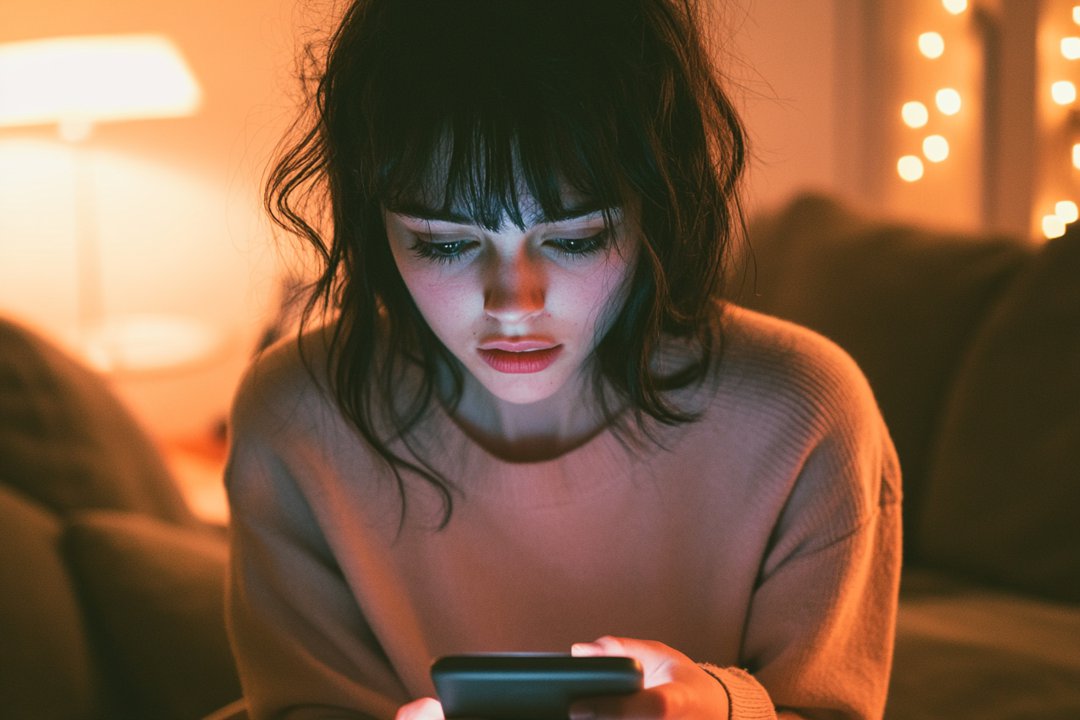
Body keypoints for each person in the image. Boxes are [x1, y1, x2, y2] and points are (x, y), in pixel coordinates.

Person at [224, 0, 902, 718]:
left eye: (576, 238)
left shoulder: (802, 415)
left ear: (656, 210)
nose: (514, 302)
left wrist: (726, 709)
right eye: (445, 243)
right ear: (375, 224)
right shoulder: (298, 419)